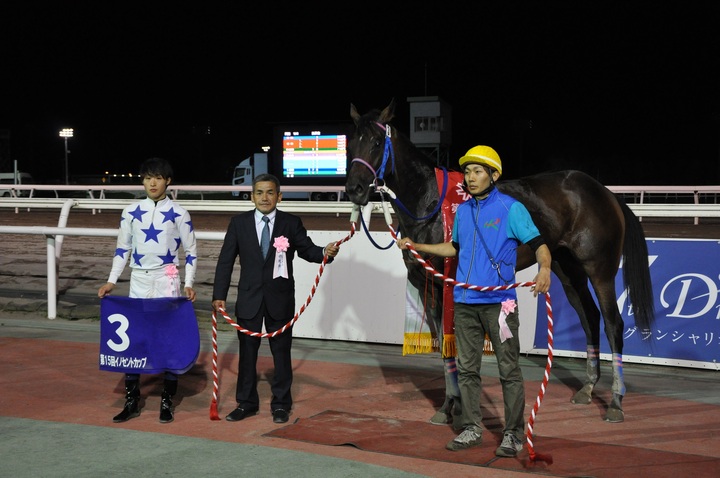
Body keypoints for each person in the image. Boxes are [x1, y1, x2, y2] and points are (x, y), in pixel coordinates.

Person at [397, 145, 551, 457]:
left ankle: (513, 434)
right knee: (467, 370)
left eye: (477, 171)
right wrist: (418, 246)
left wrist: (545, 268)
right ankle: (471, 428)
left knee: (509, 370)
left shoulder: (511, 209)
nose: (470, 177)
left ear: (494, 175)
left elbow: (539, 245)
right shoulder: (463, 211)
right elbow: (454, 248)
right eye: (467, 172)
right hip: (465, 303)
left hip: (499, 305)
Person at [212, 173, 340, 424]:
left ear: (279, 196)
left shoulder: (290, 223)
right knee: (247, 354)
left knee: (281, 354)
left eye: (270, 192)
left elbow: (307, 250)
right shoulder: (238, 223)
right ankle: (246, 403)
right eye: (259, 193)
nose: (265, 198)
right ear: (252, 196)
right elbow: (225, 261)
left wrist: (325, 252)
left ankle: (281, 404)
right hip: (249, 299)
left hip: (280, 300)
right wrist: (219, 295)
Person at [98, 157, 198, 424]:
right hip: (139, 281)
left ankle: (167, 400)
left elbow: (191, 251)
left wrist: (188, 283)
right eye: (147, 178)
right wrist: (111, 281)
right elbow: (122, 248)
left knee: (167, 339)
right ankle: (132, 400)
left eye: (158, 178)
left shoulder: (179, 212)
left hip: (167, 280)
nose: (152, 183)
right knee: (136, 338)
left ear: (168, 181)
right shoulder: (130, 211)